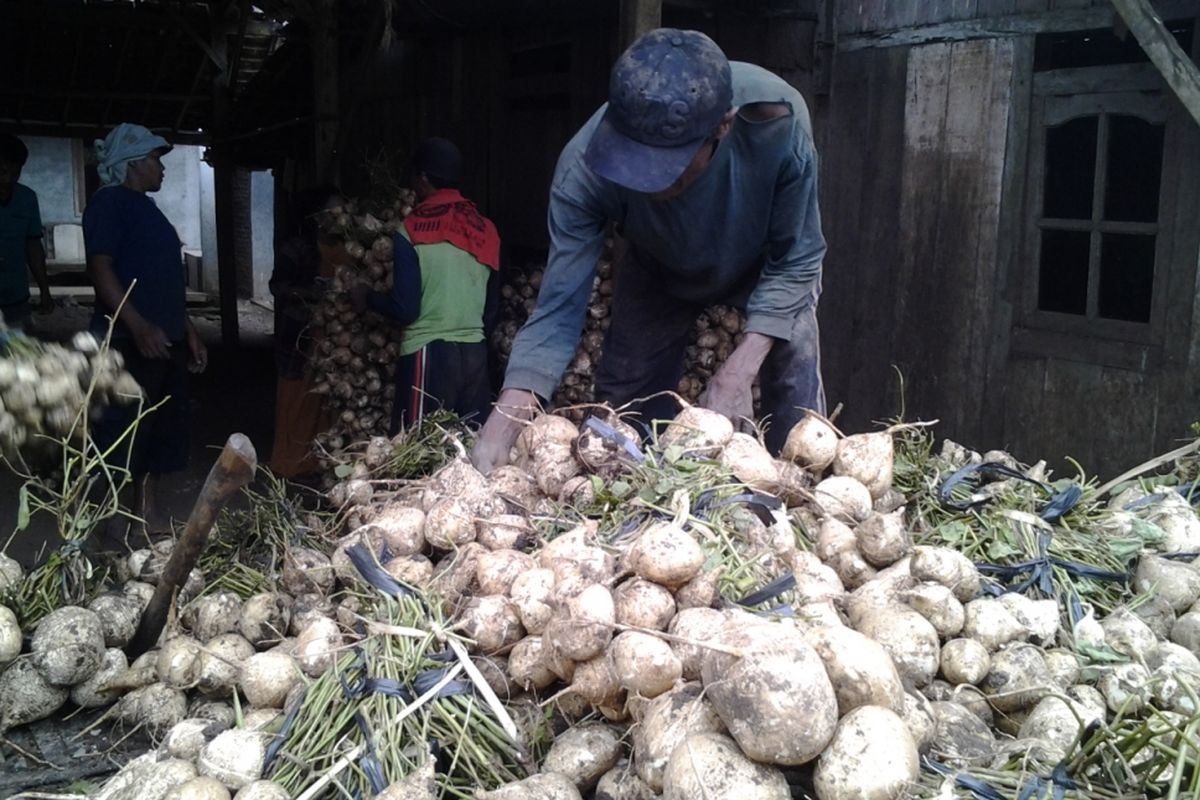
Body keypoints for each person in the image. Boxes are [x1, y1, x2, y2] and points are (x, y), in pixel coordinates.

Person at [471, 28, 827, 473]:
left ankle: (801, 496)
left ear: (723, 126)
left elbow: (798, 258)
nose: (647, 182)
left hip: (763, 267)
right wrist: (505, 418)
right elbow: (558, 308)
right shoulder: (583, 171)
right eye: (632, 163)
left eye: (667, 168)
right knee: (625, 409)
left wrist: (739, 371)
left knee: (795, 376)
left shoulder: (777, 123)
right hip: (656, 265)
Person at [83, 122, 207, 535]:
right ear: (132, 164)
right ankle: (101, 526)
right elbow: (102, 272)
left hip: (161, 338)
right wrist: (136, 326)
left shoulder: (147, 208)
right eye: (155, 159)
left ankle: (143, 516)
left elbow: (160, 278)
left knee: (158, 430)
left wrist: (185, 328)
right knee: (121, 434)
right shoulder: (109, 205)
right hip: (128, 341)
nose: (161, 167)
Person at [351, 137, 499, 435]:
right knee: (471, 455)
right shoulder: (487, 229)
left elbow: (406, 309)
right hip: (475, 357)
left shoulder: (411, 229)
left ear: (422, 179)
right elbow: (492, 310)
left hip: (429, 356)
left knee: (417, 454)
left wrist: (367, 297)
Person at [268, 184, 345, 479]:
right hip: (300, 334)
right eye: (331, 212)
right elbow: (277, 287)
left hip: (336, 339)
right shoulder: (297, 249)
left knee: (326, 403)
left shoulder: (352, 249)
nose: (337, 218)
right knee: (295, 397)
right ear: (318, 216)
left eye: (342, 212)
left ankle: (319, 462)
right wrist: (309, 293)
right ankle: (289, 462)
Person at [0, 133, 53, 330]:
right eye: (3, 171)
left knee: (19, 353)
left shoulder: (27, 199)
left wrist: (44, 291)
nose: (8, 180)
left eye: (15, 173)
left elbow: (33, 247)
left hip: (16, 298)